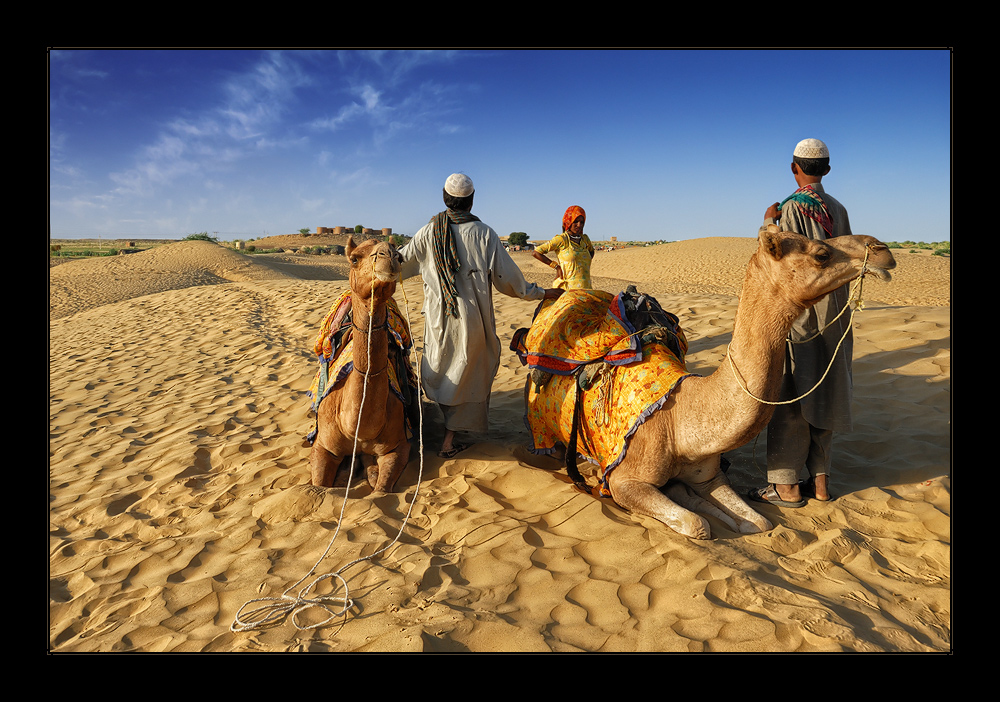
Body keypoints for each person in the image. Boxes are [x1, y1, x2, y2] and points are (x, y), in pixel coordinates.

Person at [399, 173, 562, 458]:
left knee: (443, 367)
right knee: (467, 372)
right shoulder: (484, 234)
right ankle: (449, 439)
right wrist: (542, 293)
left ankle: (444, 429)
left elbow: (399, 264)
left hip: (438, 320)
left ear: (444, 197)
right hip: (472, 320)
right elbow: (510, 280)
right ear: (471, 200)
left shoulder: (428, 232)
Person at [749, 138, 853, 507]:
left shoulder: (791, 208)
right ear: (826, 169)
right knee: (825, 388)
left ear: (794, 167)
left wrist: (768, 221)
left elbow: (778, 256)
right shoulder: (838, 208)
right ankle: (821, 483)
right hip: (836, 313)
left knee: (793, 390)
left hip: (803, 313)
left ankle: (786, 485)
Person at [531, 205, 596, 290]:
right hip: (567, 289)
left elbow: (591, 251)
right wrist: (556, 267)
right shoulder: (561, 239)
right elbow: (536, 252)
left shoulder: (585, 239)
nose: (579, 225)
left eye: (582, 222)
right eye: (575, 221)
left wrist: (582, 261)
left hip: (586, 288)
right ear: (568, 221)